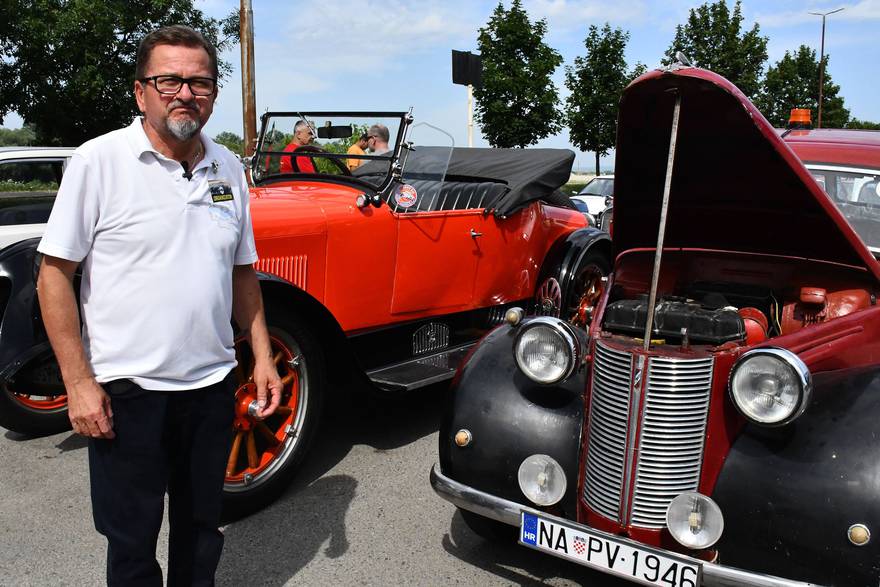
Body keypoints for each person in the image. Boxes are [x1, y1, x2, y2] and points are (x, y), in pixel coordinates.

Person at [36, 25, 282, 586]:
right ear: (140, 90)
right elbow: (54, 276)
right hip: (128, 392)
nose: (185, 94)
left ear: (214, 94)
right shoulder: (99, 161)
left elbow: (243, 273)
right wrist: (78, 384)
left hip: (211, 386)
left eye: (199, 82)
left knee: (201, 532)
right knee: (131, 542)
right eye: (169, 79)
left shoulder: (229, 169)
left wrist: (262, 358)